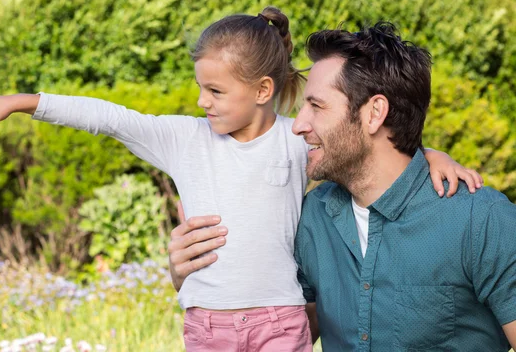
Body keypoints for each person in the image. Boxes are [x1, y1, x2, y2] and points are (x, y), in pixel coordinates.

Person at [0, 9, 481, 352]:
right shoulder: (183, 139)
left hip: (282, 321)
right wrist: (23, 103)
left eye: (215, 91)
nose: (202, 101)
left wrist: (431, 153)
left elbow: (363, 143)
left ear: (262, 89)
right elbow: (107, 117)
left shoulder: (294, 141)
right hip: (208, 327)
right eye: (200, 89)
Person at [170, 22, 516, 351]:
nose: (297, 125)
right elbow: (281, 333)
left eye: (316, 106)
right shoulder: (312, 218)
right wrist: (192, 278)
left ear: (374, 113)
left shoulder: (481, 220)